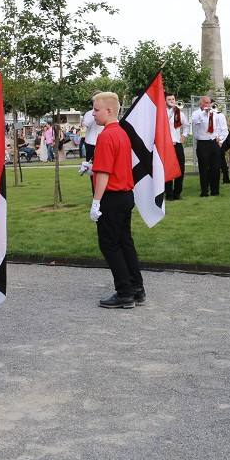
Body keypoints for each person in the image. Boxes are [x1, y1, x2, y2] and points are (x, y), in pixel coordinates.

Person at [89, 92, 145, 309]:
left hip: (112, 197)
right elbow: (112, 164)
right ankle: (137, 288)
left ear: (109, 110)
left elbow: (103, 173)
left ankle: (124, 291)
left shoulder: (106, 135)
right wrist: (91, 167)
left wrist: (96, 202)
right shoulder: (122, 133)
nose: (93, 114)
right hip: (125, 195)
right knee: (124, 242)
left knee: (110, 244)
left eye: (96, 109)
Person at [191, 97, 227, 197]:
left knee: (215, 168)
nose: (208, 105)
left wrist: (220, 139)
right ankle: (204, 191)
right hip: (203, 143)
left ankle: (215, 191)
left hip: (213, 143)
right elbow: (195, 121)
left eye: (209, 103)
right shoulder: (196, 113)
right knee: (203, 168)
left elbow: (223, 129)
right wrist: (204, 113)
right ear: (201, 104)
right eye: (206, 103)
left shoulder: (215, 114)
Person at [164, 94, 188, 201]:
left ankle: (177, 193)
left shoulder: (180, 113)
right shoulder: (163, 112)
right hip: (167, 145)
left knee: (180, 168)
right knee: (168, 169)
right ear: (165, 101)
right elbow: (163, 123)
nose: (172, 101)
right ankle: (168, 194)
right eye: (169, 99)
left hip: (177, 144)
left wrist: (184, 136)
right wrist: (171, 111)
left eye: (173, 99)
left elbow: (187, 125)